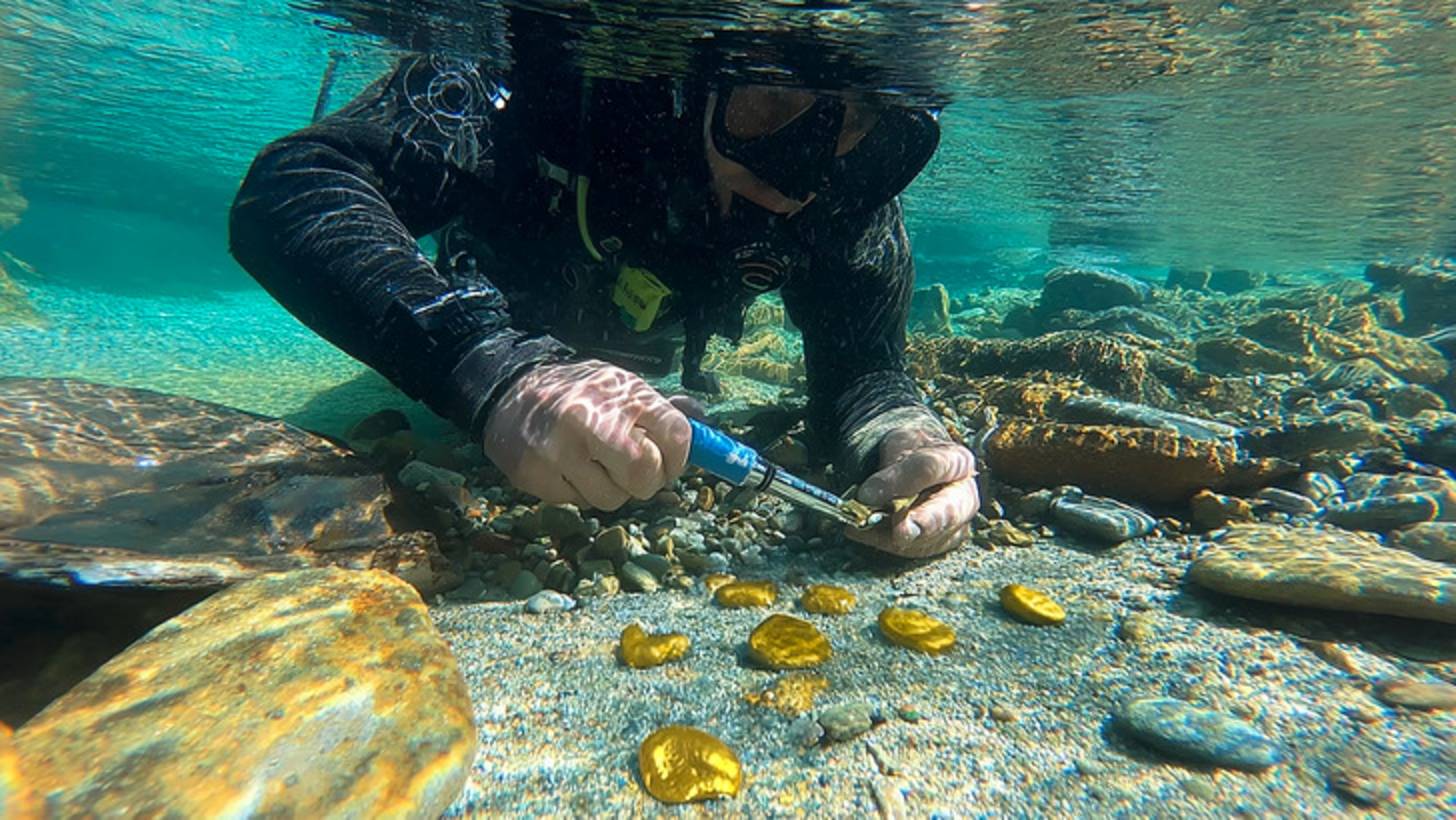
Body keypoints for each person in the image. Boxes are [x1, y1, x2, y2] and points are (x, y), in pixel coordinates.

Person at [229, 50, 979, 558]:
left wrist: (903, 435)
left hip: (639, 358)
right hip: (501, 312)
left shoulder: (849, 192)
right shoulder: (548, 83)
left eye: (853, 123)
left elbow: (864, 371)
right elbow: (296, 185)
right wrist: (499, 373)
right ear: (697, 73)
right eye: (772, 101)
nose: (801, 170)